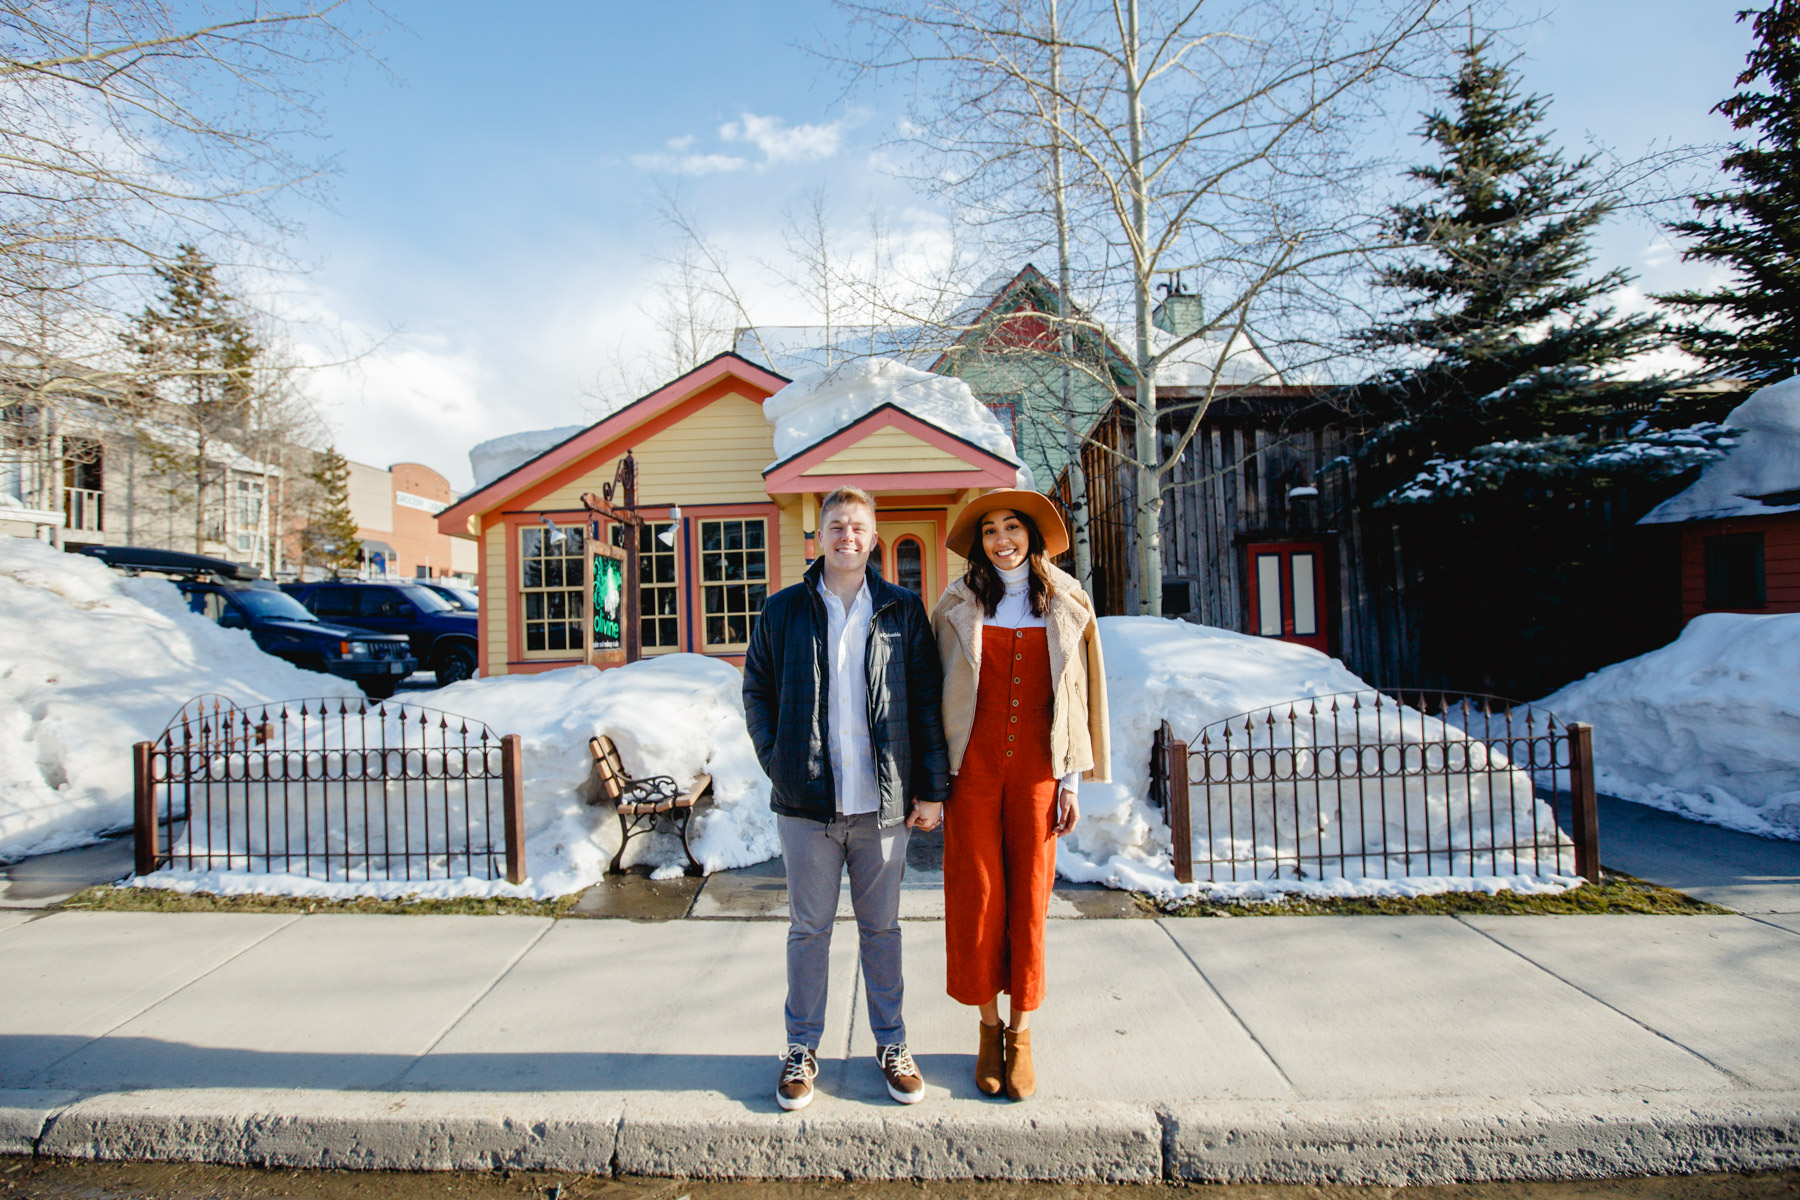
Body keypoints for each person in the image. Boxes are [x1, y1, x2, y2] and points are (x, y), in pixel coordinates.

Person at [742, 484, 950, 1112]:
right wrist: (777, 760)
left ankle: (892, 1044)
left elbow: (925, 704)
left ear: (873, 535)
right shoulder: (782, 611)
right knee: (809, 930)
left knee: (882, 931)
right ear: (820, 534)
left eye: (858, 526)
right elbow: (757, 691)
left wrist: (931, 790)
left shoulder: (901, 610)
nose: (847, 537)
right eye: (836, 526)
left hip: (880, 807)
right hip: (806, 807)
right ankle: (801, 1049)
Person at [931, 488, 1109, 1101]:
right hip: (971, 773)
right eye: (988, 531)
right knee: (978, 899)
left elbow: (1080, 701)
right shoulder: (955, 605)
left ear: (1032, 535)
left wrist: (1071, 779)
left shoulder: (1066, 603)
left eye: (1012, 527)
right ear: (978, 545)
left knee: (1030, 901)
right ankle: (986, 1030)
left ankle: (1022, 1036)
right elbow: (935, 699)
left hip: (1038, 773)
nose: (1001, 539)